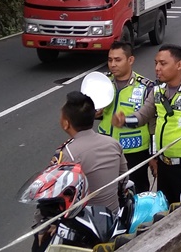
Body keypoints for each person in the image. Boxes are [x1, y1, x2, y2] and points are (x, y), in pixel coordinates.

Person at [112, 44, 181, 205]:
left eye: (163, 63)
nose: (157, 68)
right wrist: (124, 120)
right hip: (164, 165)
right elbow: (143, 116)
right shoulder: (157, 90)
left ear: (179, 65)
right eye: (155, 63)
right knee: (164, 211)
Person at [34, 92, 128, 251]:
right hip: (113, 220)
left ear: (66, 123)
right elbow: (124, 180)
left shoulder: (66, 154)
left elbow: (51, 199)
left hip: (82, 230)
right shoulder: (113, 143)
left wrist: (41, 229)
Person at [97, 41, 155, 193]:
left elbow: (152, 123)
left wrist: (154, 155)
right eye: (110, 60)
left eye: (118, 60)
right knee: (107, 192)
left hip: (134, 151)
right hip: (105, 148)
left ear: (130, 60)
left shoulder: (146, 87)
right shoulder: (102, 83)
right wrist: (95, 112)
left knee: (136, 192)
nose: (113, 64)